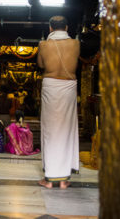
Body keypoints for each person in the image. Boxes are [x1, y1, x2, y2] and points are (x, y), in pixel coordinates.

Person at [37, 16, 80, 189]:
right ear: (67, 27)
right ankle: (63, 180)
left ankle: (49, 179)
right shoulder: (76, 44)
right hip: (69, 86)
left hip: (51, 86)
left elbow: (41, 64)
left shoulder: (43, 45)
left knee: (50, 130)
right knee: (66, 129)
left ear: (50, 28)